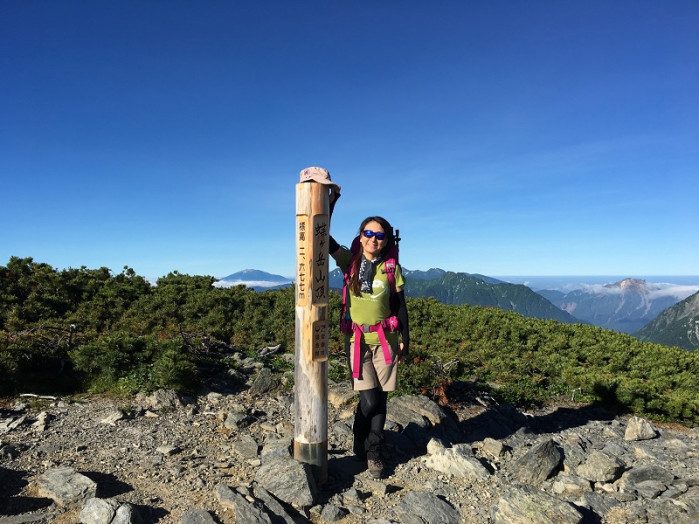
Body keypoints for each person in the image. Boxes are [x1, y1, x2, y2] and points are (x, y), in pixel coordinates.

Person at [329, 216, 410, 479]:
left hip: (385, 341)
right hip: (357, 341)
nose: (373, 239)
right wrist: (330, 204)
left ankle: (373, 452)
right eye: (368, 233)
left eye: (380, 235)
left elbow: (400, 305)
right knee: (370, 399)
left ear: (386, 240)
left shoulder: (390, 267)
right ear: (360, 236)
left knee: (381, 398)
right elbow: (325, 239)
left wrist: (405, 337)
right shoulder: (349, 261)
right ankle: (360, 436)